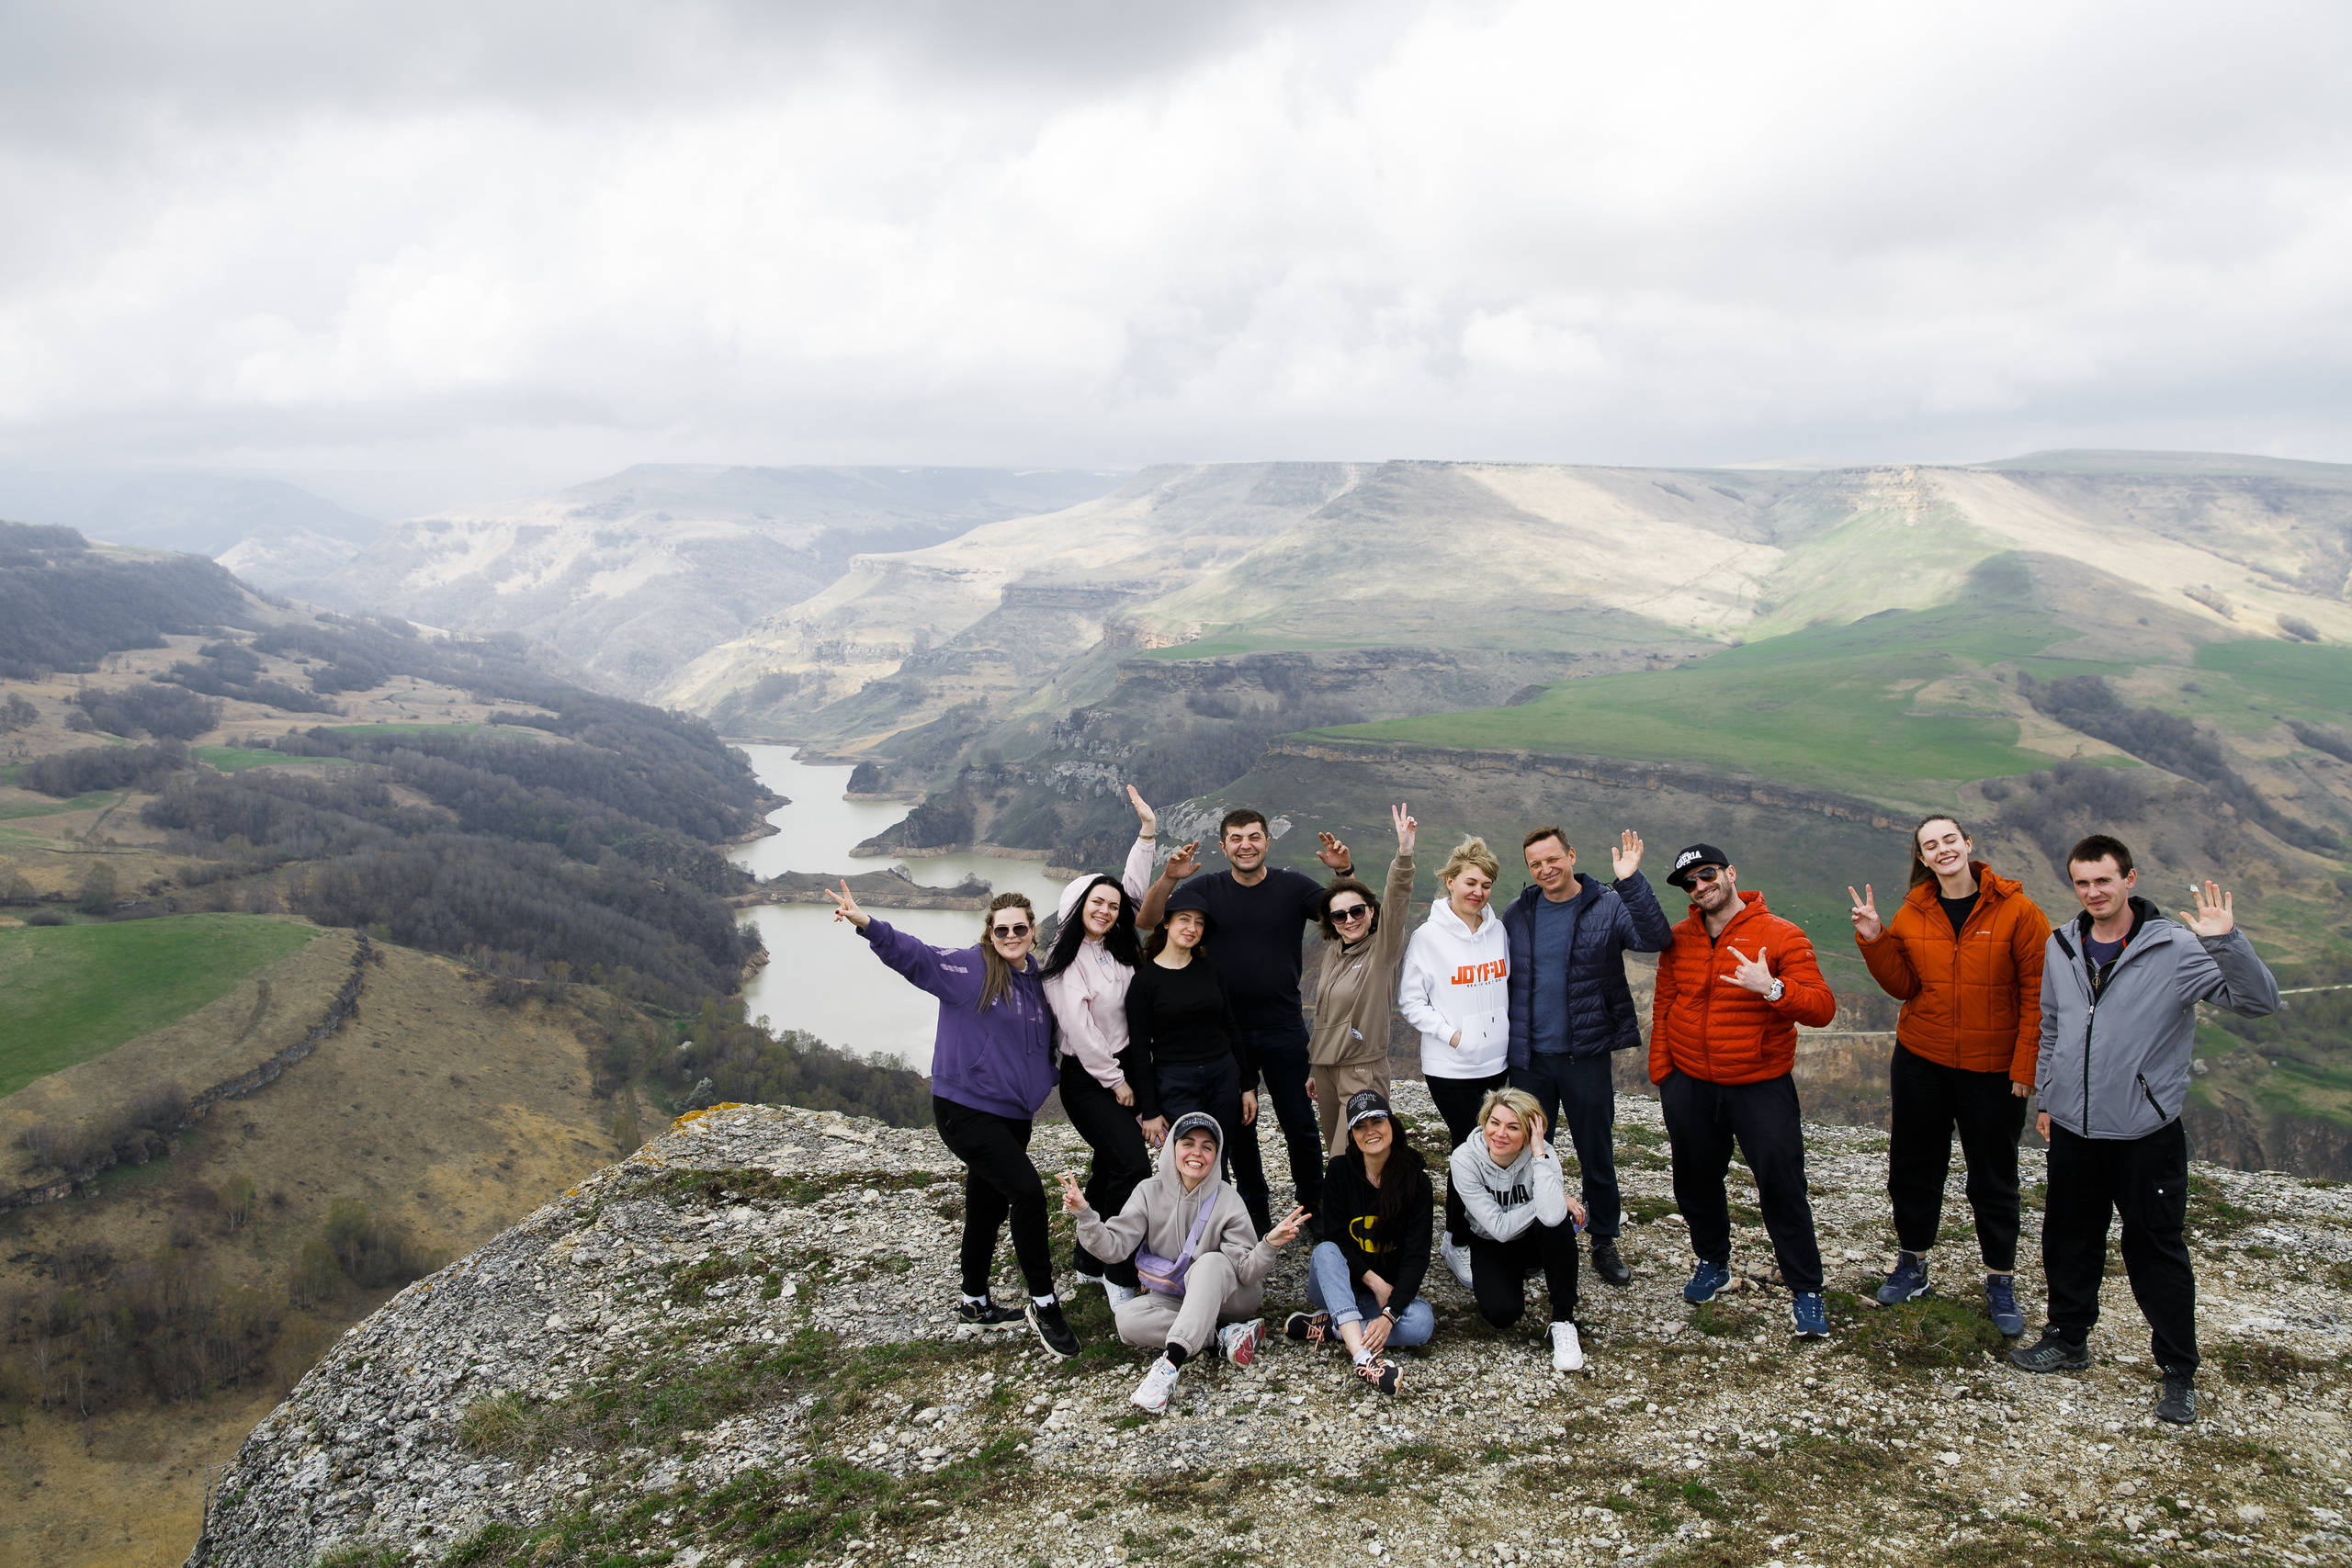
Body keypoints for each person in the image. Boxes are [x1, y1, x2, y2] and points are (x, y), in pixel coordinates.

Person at [2010, 838, 2279, 1427]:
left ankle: (2178, 1371)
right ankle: (2068, 1338)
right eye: (2083, 883)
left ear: (2129, 879)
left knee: (2154, 1249)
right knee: (2068, 1237)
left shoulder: (2176, 948)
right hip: (2075, 1129)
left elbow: (2259, 1001)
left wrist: (2225, 941)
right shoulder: (2062, 944)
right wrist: (2050, 1097)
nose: (2093, 893)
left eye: (2104, 880)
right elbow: (2052, 1026)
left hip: (2144, 1132)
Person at [831, 881, 1081, 1358]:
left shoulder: (1039, 980)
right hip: (966, 1109)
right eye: (1002, 929)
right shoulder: (971, 969)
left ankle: (974, 1303)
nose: (1011, 936)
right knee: (1027, 1193)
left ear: (1033, 932)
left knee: (987, 1205)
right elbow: (917, 957)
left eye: (1020, 929)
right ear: (990, 932)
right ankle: (1044, 1303)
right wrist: (867, 924)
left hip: (1013, 1113)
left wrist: (1046, 1077)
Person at [1849, 815, 2052, 1336]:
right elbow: (1904, 986)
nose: (1942, 850)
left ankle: (2000, 1279)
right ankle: (1912, 1264)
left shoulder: (2019, 912)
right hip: (1922, 1060)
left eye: (1949, 840)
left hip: (1993, 1069)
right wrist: (1875, 939)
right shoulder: (1913, 912)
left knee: (1994, 1176)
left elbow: (2039, 994)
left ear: (1968, 844)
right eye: (1930, 845)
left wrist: (2027, 1065)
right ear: (1922, 858)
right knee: (1913, 1167)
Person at [1651, 843, 1838, 1339]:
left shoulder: (1781, 934)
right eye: (1690, 882)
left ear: (1730, 873)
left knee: (1781, 1185)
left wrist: (1772, 988)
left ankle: (1806, 1289)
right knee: (1694, 1180)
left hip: (1760, 1084)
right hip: (1690, 1081)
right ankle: (1713, 1262)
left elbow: (1822, 1008)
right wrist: (1664, 1073)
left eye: (1707, 874)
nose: (1700, 886)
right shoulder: (1680, 938)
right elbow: (1665, 1003)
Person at [1140, 808, 1357, 1233]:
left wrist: (1343, 873)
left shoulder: (1293, 887)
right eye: (1236, 839)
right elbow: (1148, 921)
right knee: (1240, 1129)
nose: (1246, 846)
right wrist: (1169, 878)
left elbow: (1348, 916)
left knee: (1299, 1123)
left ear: (1267, 842)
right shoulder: (1206, 888)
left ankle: (1313, 1203)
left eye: (1254, 837)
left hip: (1284, 1027)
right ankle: (1253, 1210)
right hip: (1226, 1035)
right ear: (1224, 847)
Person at [1500, 826, 1673, 1291]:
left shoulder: (1608, 904)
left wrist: (1631, 881)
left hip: (1586, 1054)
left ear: (1572, 855)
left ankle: (1603, 1239)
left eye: (1552, 859)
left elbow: (1656, 938)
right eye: (1536, 864)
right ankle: (1538, 1236)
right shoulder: (1519, 912)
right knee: (1531, 1153)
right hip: (1530, 1058)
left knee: (1595, 1150)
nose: (1545, 869)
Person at [1060, 1112, 1308, 1415]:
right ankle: (1224, 1335)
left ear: (1216, 1155)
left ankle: (1169, 1366)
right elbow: (1114, 1248)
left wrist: (1268, 1244)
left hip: (1231, 1297)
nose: (1196, 1153)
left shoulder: (1228, 1199)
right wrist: (1086, 1215)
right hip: (1176, 1295)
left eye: (1207, 1147)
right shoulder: (1148, 1191)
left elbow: (1245, 1271)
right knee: (1126, 1319)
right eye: (1188, 1144)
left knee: (1210, 1263)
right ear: (1172, 1148)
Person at [1039, 785, 1163, 1306]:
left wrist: (1147, 833)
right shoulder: (1065, 963)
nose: (1108, 911)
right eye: (1097, 903)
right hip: (1090, 1078)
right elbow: (1083, 1035)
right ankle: (1118, 1268)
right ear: (1077, 906)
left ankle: (1089, 1260)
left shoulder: (1112, 946)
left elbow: (1130, 889)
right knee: (1132, 1165)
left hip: (1125, 1065)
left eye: (1112, 907)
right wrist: (1119, 1084)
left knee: (1111, 1165)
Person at [1397, 835, 1512, 1289]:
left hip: (1496, 1062)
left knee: (1493, 1148)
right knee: (1471, 1149)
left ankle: (1486, 1228)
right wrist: (1454, 1035)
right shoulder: (1428, 937)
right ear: (1450, 882)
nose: (1478, 892)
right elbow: (1411, 1001)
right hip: (1451, 1067)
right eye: (1470, 882)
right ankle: (1457, 1240)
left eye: (1486, 885)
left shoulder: (1497, 931)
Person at [1288, 1089, 1434, 1394]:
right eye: (1360, 1126)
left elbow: (1417, 1255)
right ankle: (1363, 1358)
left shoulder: (1417, 1181)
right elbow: (1337, 1239)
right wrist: (1375, 1283)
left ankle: (1334, 1327)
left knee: (1421, 1323)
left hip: (1382, 1298)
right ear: (1352, 1135)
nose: (1370, 1132)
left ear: (1391, 1124)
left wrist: (1389, 1314)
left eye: (1377, 1121)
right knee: (1325, 1250)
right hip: (1339, 1285)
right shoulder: (1339, 1171)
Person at [1306, 804, 1419, 1153]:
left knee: (1354, 1155)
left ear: (1371, 911)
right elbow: (1326, 1016)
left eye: (1357, 911)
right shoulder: (1333, 952)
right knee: (1336, 1154)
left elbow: (1396, 902)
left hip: (1362, 1070)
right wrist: (1315, 1067)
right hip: (1325, 1070)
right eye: (1339, 916)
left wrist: (1404, 854)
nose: (1350, 920)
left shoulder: (1382, 951)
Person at [1451, 1087, 1587, 1371]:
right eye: (1494, 1123)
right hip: (1491, 1241)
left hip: (1534, 1238)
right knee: (1501, 1314)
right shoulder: (1465, 1159)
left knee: (1558, 1222)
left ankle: (1563, 1320)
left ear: (1529, 1132)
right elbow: (1499, 1228)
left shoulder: (1544, 1155)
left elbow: (1551, 1217)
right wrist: (1553, 1198)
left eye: (1513, 1127)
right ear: (1484, 1121)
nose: (1500, 1134)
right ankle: (1517, 1272)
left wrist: (1539, 1156)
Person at [1124, 904, 1253, 1182]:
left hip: (1222, 1075)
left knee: (1218, 1153)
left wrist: (1247, 1085)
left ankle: (1221, 1210)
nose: (1192, 928)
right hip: (1176, 1081)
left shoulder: (1210, 969)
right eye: (1184, 919)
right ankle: (1186, 1212)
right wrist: (1150, 1111)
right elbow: (1139, 1051)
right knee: (1190, 1159)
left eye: (1199, 922)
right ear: (1166, 923)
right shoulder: (1144, 982)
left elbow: (1230, 1026)